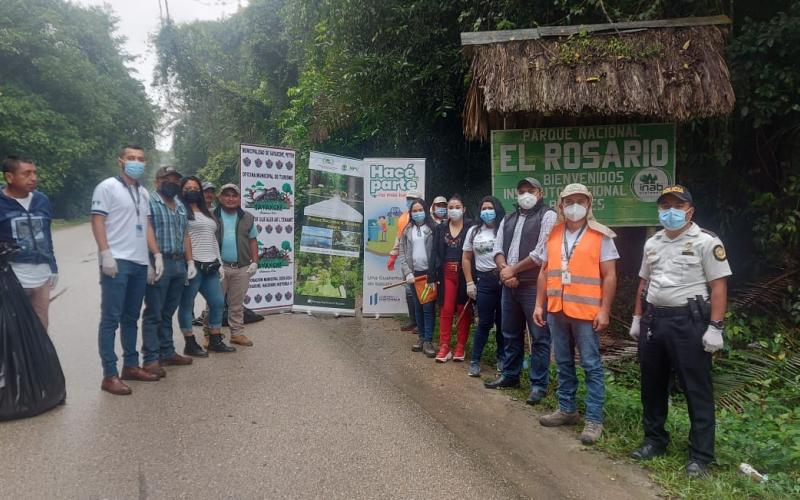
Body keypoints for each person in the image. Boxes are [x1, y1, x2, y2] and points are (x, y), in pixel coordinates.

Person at [628, 185, 731, 477]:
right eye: (664, 206)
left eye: (677, 205)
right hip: (654, 322)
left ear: (690, 211)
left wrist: (716, 327)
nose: (670, 211)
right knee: (652, 384)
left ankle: (700, 456)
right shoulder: (653, 242)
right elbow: (643, 282)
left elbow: (719, 285)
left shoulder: (706, 241)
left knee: (696, 388)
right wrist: (637, 316)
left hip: (689, 323)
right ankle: (654, 440)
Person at [533, 183, 618, 445]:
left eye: (580, 201)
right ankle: (567, 409)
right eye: (569, 202)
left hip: (586, 311)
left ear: (588, 204)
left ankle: (594, 419)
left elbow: (610, 275)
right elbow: (545, 272)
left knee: (591, 365)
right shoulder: (554, 233)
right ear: (560, 205)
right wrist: (539, 304)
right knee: (563, 362)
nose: (574, 207)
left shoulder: (600, 235)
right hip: (557, 309)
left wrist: (605, 310)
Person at [90, 144, 161, 395]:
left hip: (140, 263)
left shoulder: (143, 192)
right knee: (111, 319)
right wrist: (105, 253)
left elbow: (147, 226)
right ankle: (109, 374)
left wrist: (155, 255)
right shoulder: (107, 187)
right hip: (117, 261)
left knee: (131, 318)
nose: (137, 162)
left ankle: (130, 365)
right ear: (120, 160)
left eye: (141, 159)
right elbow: (98, 220)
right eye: (131, 158)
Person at [485, 177, 556, 407]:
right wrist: (506, 272)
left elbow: (541, 253)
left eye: (530, 190)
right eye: (522, 191)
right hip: (510, 285)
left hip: (534, 285)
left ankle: (538, 385)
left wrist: (512, 270)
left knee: (539, 337)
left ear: (540, 192)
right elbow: (497, 248)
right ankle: (510, 375)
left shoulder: (548, 216)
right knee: (510, 333)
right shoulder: (509, 217)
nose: (526, 194)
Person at [140, 166, 196, 377]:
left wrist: (189, 262)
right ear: (157, 181)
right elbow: (147, 230)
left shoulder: (180, 205)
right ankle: (150, 358)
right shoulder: (150, 202)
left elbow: (185, 235)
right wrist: (154, 258)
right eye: (168, 179)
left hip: (178, 263)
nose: (172, 183)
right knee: (154, 312)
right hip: (159, 261)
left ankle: (168, 352)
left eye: (175, 180)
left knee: (168, 311)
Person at [0, 156, 58, 330]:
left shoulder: (42, 200)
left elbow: (47, 235)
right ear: (9, 177)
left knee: (40, 328)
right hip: (12, 276)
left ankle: (39, 358)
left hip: (41, 276)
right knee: (13, 332)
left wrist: (53, 266)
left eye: (34, 173)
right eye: (27, 173)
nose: (33, 178)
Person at [177, 176, 230, 355]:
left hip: (210, 265)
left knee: (217, 302)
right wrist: (189, 262)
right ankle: (190, 342)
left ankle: (215, 338)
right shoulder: (180, 210)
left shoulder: (207, 211)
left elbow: (212, 238)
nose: (191, 190)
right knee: (186, 304)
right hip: (192, 265)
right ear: (181, 190)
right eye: (187, 187)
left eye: (195, 187)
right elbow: (183, 237)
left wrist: (220, 263)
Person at [462, 196, 506, 377]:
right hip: (484, 281)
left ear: (497, 209)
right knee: (484, 323)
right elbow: (466, 258)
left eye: (490, 207)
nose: (486, 211)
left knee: (503, 323)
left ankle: (502, 359)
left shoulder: (505, 227)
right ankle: (475, 360)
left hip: (504, 280)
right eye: (483, 208)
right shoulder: (474, 231)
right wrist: (469, 282)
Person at [214, 183, 258, 348]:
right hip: (219, 267)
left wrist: (255, 262)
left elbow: (253, 240)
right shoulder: (212, 215)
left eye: (234, 195)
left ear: (239, 198)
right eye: (226, 195)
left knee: (237, 304)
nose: (230, 198)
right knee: (215, 303)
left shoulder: (247, 217)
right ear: (220, 197)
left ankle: (237, 334)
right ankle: (210, 334)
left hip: (242, 267)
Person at [429, 194, 473, 362]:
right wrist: (431, 276)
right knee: (446, 309)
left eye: (457, 207)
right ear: (446, 211)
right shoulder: (440, 228)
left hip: (465, 273)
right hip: (446, 273)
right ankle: (445, 346)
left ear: (464, 210)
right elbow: (434, 252)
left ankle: (461, 346)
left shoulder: (471, 227)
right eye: (451, 208)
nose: (454, 210)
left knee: (463, 309)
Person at [398, 197, 437, 357]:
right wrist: (407, 272)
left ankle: (428, 340)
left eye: (420, 210)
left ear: (426, 211)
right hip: (413, 276)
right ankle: (421, 338)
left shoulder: (433, 228)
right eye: (414, 211)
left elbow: (437, 252)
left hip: (428, 275)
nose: (418, 213)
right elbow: (401, 251)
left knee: (428, 308)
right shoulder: (407, 230)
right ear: (411, 213)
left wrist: (433, 274)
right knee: (418, 307)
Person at [388, 191, 422, 333]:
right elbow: (399, 238)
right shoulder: (402, 218)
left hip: (421, 262)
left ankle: (421, 325)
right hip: (407, 261)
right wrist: (393, 255)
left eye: (413, 199)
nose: (410, 201)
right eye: (408, 199)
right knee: (408, 291)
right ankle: (413, 321)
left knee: (420, 293)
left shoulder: (424, 216)